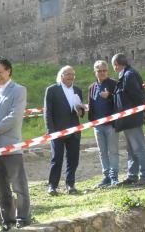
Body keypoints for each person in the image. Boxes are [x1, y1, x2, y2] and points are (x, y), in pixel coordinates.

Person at [0, 56, 30, 232]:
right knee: (1, 189)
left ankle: (23, 218)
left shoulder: (19, 90)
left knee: (19, 186)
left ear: (8, 71)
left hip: (10, 146)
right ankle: (7, 220)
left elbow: (15, 116)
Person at [44, 65, 85, 195]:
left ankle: (70, 184)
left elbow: (80, 111)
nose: (71, 77)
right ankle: (52, 186)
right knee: (57, 159)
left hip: (74, 130)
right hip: (57, 131)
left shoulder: (77, 90)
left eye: (73, 74)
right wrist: (51, 131)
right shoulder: (52, 90)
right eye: (68, 74)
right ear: (61, 76)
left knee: (73, 159)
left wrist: (81, 111)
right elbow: (48, 112)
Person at [112, 53, 145, 186]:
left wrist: (143, 112)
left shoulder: (129, 75)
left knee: (139, 148)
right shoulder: (126, 74)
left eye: (114, 65)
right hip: (127, 119)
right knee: (131, 149)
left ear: (116, 65)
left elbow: (137, 96)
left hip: (132, 118)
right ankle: (132, 176)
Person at [88, 60, 120, 188]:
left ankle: (114, 177)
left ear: (107, 71)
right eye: (99, 71)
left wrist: (110, 96)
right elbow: (90, 104)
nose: (102, 73)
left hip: (111, 124)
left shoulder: (114, 84)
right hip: (97, 125)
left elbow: (119, 101)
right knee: (102, 152)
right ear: (95, 72)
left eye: (104, 70)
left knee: (113, 151)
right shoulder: (92, 87)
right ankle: (106, 176)